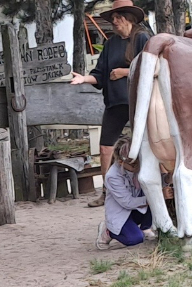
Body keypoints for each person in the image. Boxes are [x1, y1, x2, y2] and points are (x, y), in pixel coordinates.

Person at [71, 0, 150, 207]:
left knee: (144, 147)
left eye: (117, 17)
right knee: (105, 148)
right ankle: (108, 192)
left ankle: (149, 189)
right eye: (112, 18)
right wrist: (83, 79)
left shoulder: (142, 38)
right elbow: (100, 75)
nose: (114, 22)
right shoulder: (110, 43)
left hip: (139, 102)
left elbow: (151, 67)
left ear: (128, 18)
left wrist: (125, 71)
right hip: (115, 103)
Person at [96, 134, 154, 249]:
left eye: (138, 160)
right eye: (133, 164)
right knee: (135, 239)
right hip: (121, 213)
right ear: (121, 162)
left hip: (136, 209)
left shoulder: (140, 167)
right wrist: (153, 198)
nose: (137, 166)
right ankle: (109, 231)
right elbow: (128, 202)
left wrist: (167, 180)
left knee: (153, 193)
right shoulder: (112, 177)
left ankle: (145, 227)